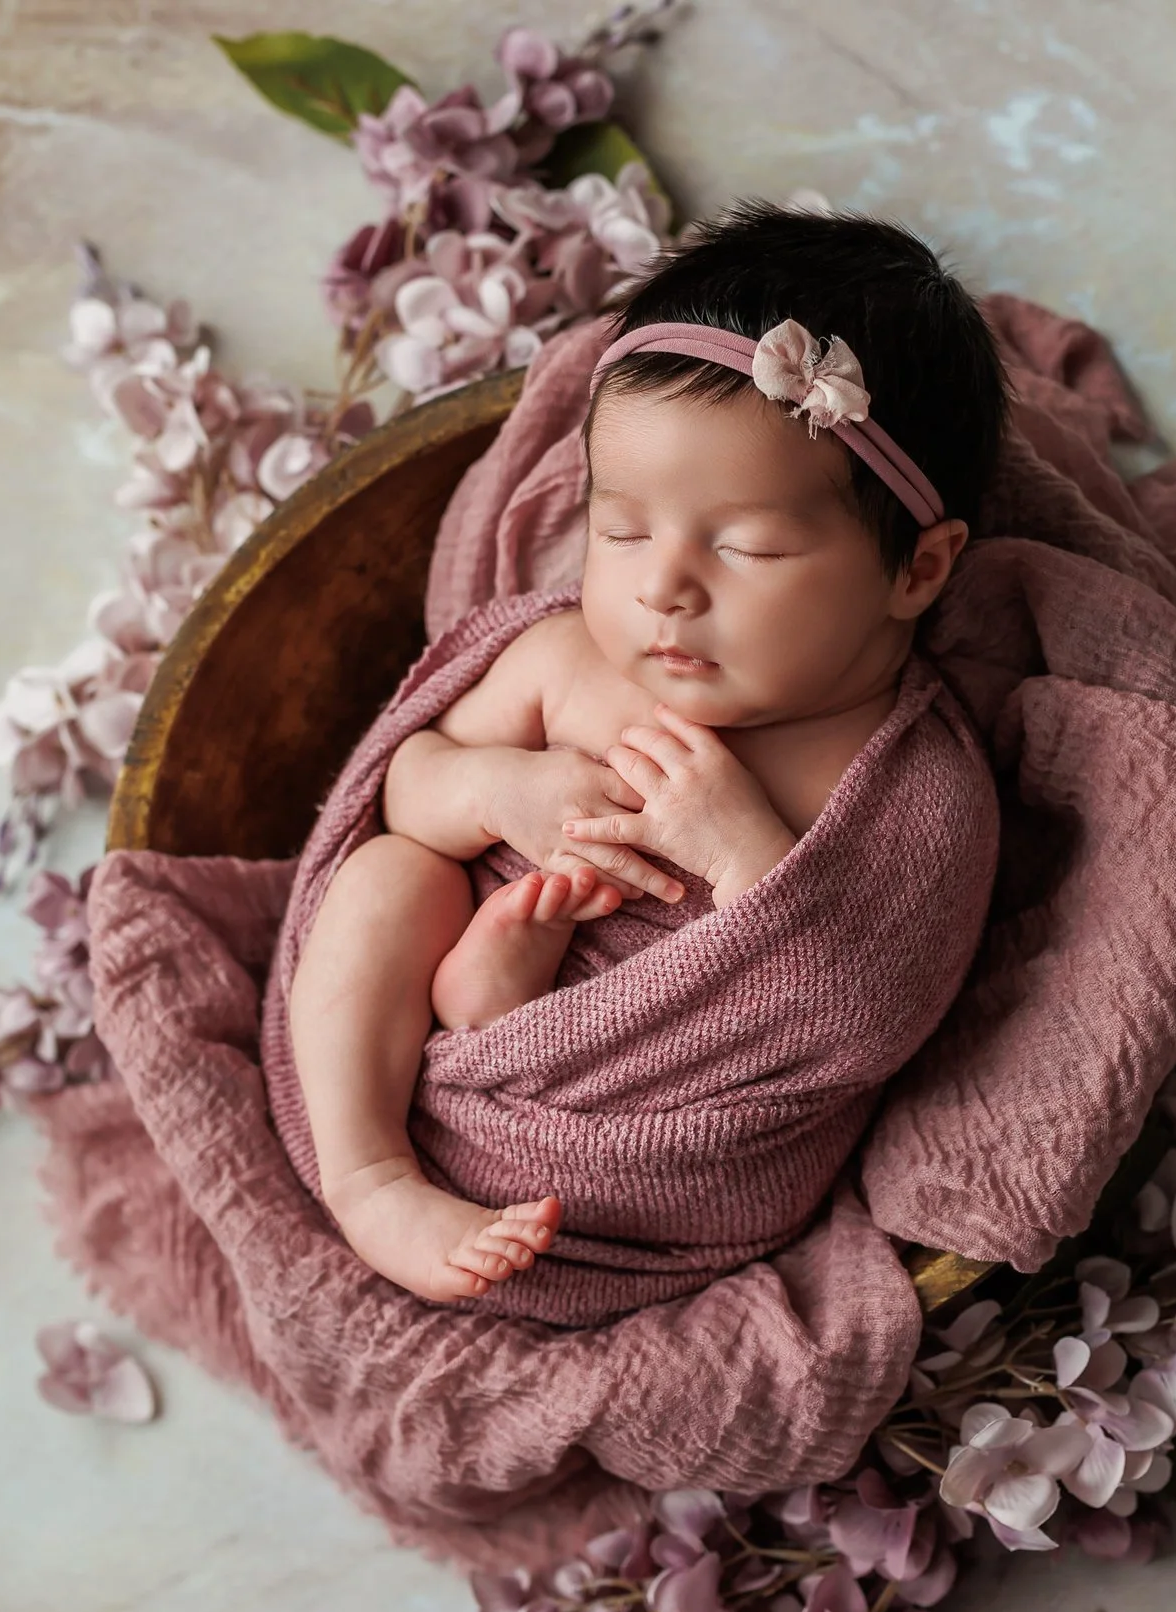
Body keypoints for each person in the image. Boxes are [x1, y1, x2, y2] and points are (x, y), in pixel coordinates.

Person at [286, 204, 1008, 1302]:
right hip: (400, 1061)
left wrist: (746, 857)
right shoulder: (566, 660)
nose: (661, 586)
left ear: (917, 569)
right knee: (388, 876)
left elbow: (867, 1015)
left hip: (641, 1175)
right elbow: (406, 789)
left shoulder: (915, 787)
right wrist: (496, 787)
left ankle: (492, 1013)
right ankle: (370, 1174)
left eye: (746, 546)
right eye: (620, 529)